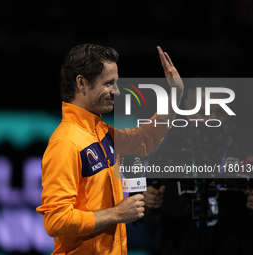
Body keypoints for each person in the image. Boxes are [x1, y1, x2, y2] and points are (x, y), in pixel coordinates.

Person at [36, 43, 184, 254]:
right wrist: (117, 214)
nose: (116, 91)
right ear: (82, 83)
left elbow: (145, 137)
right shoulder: (66, 143)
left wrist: (175, 96)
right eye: (109, 84)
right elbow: (56, 220)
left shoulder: (102, 132)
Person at [144, 81, 253, 255]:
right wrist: (147, 203)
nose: (212, 120)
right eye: (203, 112)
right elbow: (144, 218)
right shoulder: (167, 151)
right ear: (186, 112)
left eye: (220, 112)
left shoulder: (252, 150)